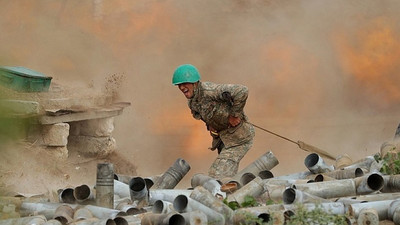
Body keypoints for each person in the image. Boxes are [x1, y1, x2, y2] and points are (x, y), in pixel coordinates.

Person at [172, 64, 255, 179]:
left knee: (218, 174)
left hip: (238, 138)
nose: (181, 87)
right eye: (179, 85)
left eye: (185, 84)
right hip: (224, 140)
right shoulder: (193, 102)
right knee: (227, 177)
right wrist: (211, 125)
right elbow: (205, 115)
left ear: (195, 83)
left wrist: (234, 115)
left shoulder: (210, 91)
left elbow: (242, 91)